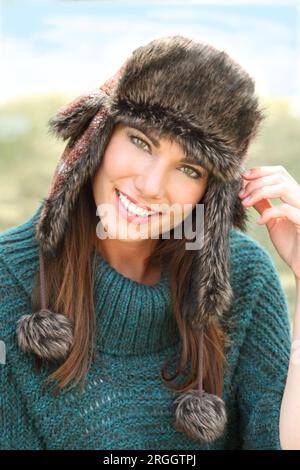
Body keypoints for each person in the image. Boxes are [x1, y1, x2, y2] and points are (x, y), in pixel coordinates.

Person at [0, 34, 300, 450]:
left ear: (210, 193)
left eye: (190, 169)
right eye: (140, 142)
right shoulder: (5, 281)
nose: (150, 185)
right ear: (98, 137)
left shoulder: (242, 279)